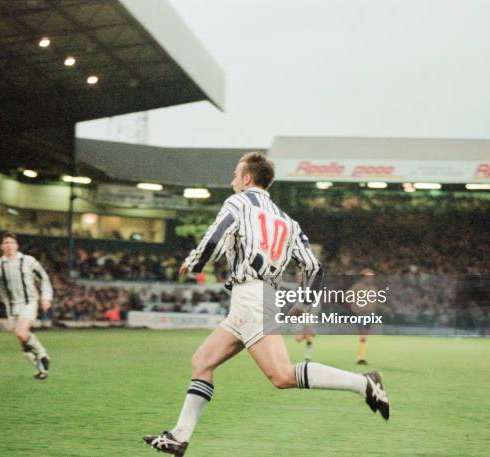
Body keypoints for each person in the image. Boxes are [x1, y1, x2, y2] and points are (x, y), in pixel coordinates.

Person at [143, 152, 390, 456]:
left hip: (251, 297)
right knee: (202, 362)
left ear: (247, 178)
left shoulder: (238, 202)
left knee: (282, 376)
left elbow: (215, 237)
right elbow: (314, 267)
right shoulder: (288, 221)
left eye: (236, 174)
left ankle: (364, 383)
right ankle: (179, 436)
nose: (233, 180)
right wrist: (304, 302)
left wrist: (192, 262)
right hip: (256, 299)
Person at [0, 233, 53, 379]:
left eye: (12, 242)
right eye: (6, 242)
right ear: (1, 247)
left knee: (21, 332)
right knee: (22, 339)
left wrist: (46, 298)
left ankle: (42, 352)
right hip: (11, 306)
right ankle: (41, 369)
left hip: (29, 302)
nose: (9, 245)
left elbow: (43, 278)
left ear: (17, 246)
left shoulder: (28, 261)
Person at [348, 268, 378, 364]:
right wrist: (355, 308)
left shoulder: (374, 289)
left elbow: (373, 303)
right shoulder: (357, 287)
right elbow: (348, 297)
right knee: (363, 334)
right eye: (368, 277)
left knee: (364, 336)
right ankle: (360, 357)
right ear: (363, 278)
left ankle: (361, 355)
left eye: (372, 278)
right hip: (360, 314)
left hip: (369, 314)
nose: (370, 279)